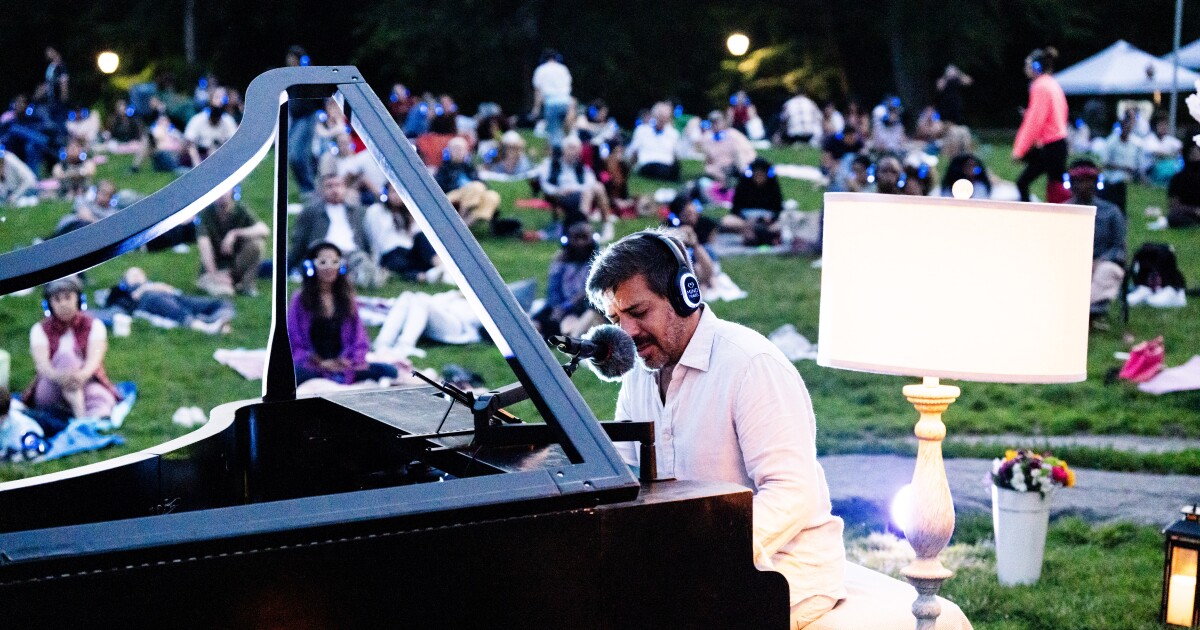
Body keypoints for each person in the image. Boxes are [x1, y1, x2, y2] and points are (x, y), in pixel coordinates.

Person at [585, 231, 846, 627]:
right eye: (615, 319)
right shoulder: (640, 375)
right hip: (692, 565)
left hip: (786, 569)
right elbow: (625, 481)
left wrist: (699, 554)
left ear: (683, 294)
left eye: (638, 313)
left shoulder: (751, 365)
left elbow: (793, 494)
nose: (627, 332)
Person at [287, 242, 399, 385]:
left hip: (345, 365)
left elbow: (359, 338)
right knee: (294, 376)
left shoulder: (346, 298)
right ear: (310, 266)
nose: (329, 267)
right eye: (323, 262)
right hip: (313, 365)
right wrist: (321, 362)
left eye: (334, 262)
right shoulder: (300, 299)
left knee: (389, 371)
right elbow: (294, 340)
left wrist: (351, 360)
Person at [25, 276, 120, 421]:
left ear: (78, 299)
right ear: (49, 305)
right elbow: (42, 365)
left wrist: (80, 376)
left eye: (68, 297)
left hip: (85, 380)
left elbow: (94, 360)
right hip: (52, 385)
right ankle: (80, 413)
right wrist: (61, 378)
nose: (63, 304)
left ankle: (80, 413)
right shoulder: (39, 329)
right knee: (65, 357)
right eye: (57, 300)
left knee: (103, 399)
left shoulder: (94, 325)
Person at [1066, 161, 1126, 330]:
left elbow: (1119, 248)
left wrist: (1098, 261)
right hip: (1073, 264)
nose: (1084, 186)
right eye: (1079, 181)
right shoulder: (1063, 211)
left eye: (1089, 181)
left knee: (1108, 271)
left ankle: (1088, 313)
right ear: (1071, 184)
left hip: (1102, 263)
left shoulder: (1111, 212)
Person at [289, 173, 377, 287]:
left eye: (338, 185)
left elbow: (366, 240)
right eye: (330, 186)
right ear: (322, 190)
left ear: (345, 188)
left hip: (352, 253)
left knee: (363, 267)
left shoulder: (358, 212)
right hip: (324, 252)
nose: (335, 190)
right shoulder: (311, 212)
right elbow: (300, 242)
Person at [1013, 47, 1069, 203]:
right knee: (1056, 185)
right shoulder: (1052, 84)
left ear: (1036, 67)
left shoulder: (1040, 86)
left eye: (1028, 65)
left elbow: (1034, 121)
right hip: (1058, 142)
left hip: (1051, 145)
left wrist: (1019, 149)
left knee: (1024, 183)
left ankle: (1033, 214)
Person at [106, 267, 234, 334]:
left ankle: (215, 320)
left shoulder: (154, 284)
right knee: (164, 303)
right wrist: (146, 288)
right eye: (133, 274)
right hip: (150, 299)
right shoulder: (125, 290)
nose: (138, 276)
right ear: (125, 280)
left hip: (174, 296)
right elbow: (117, 301)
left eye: (140, 273)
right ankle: (205, 328)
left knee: (222, 303)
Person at [532, 222, 601, 338]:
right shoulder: (561, 261)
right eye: (576, 238)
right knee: (534, 325)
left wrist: (565, 308)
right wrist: (556, 307)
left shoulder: (598, 261)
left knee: (568, 329)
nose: (580, 243)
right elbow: (553, 289)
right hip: (558, 307)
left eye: (584, 238)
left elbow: (587, 291)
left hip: (582, 309)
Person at [196, 188, 269, 297]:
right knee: (225, 292)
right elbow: (204, 244)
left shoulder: (240, 210)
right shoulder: (206, 213)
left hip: (236, 264)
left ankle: (246, 284)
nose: (222, 194)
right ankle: (219, 282)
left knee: (256, 244)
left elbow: (264, 230)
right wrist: (214, 274)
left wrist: (235, 233)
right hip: (216, 268)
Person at [363, 184, 441, 281]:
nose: (397, 196)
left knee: (421, 237)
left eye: (399, 192)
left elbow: (416, 235)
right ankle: (423, 276)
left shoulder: (408, 212)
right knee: (399, 262)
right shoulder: (376, 211)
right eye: (393, 192)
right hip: (389, 253)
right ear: (386, 193)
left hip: (408, 250)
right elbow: (373, 237)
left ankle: (440, 266)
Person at [538, 135, 611, 226]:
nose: (575, 152)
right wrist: (557, 191)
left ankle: (605, 225)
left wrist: (576, 189)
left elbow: (590, 182)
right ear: (563, 149)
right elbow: (544, 183)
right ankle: (583, 224)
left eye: (577, 149)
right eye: (571, 148)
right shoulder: (551, 164)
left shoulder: (581, 167)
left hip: (581, 193)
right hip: (560, 194)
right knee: (591, 190)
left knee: (597, 187)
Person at [435, 136, 501, 229]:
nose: (459, 151)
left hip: (475, 194)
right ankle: (461, 216)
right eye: (456, 149)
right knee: (476, 186)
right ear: (449, 151)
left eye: (461, 149)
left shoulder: (470, 168)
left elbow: (483, 184)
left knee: (492, 195)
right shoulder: (444, 169)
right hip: (453, 194)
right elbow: (440, 187)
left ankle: (464, 226)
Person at [722, 157, 783, 245]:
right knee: (727, 221)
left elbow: (778, 208)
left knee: (781, 225)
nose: (759, 178)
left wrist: (771, 218)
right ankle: (750, 233)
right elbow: (735, 209)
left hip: (768, 223)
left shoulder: (772, 186)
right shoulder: (744, 185)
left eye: (762, 175)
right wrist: (746, 219)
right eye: (757, 175)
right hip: (745, 221)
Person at [182, 89, 238, 167]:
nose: (220, 101)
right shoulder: (198, 119)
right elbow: (190, 143)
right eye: (217, 97)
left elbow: (233, 144)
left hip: (219, 156)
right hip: (200, 155)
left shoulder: (228, 121)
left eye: (223, 98)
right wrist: (197, 165)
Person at [626, 102, 681, 181]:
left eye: (664, 117)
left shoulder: (673, 134)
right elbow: (633, 150)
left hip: (666, 164)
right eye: (660, 116)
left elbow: (677, 154)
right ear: (654, 116)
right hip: (647, 163)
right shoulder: (642, 130)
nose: (662, 120)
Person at [698, 110, 755, 185]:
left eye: (717, 121)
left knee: (739, 155)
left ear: (723, 122)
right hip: (719, 168)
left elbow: (746, 151)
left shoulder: (733, 135)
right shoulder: (706, 138)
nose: (715, 125)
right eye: (713, 122)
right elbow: (708, 161)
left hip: (735, 165)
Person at [531, 49, 573, 150]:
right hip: (566, 102)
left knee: (553, 132)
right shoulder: (563, 69)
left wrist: (536, 108)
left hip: (551, 103)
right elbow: (569, 87)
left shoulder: (540, 70)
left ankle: (556, 154)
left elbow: (538, 91)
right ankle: (566, 148)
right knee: (566, 131)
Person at [1098, 119, 1142, 214]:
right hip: (1113, 177)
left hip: (1130, 176)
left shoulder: (1135, 143)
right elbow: (1104, 163)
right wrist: (1122, 168)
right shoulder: (1111, 141)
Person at [1167, 143, 1200, 228]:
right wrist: (1194, 210)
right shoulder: (1178, 178)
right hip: (1186, 214)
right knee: (1173, 218)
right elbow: (1174, 205)